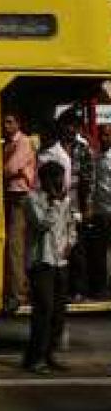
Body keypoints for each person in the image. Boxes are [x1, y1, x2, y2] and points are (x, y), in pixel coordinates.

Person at [22, 160, 74, 375]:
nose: (60, 183)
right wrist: (53, 203)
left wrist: (70, 243)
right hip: (41, 262)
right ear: (45, 181)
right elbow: (42, 224)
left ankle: (49, 354)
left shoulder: (65, 200)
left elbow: (70, 225)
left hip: (60, 262)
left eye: (61, 178)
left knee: (58, 313)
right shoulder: (32, 199)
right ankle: (35, 358)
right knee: (44, 310)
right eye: (56, 179)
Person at [58, 110, 94, 302]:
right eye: (67, 125)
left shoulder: (83, 149)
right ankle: (61, 289)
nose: (70, 129)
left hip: (76, 203)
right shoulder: (54, 148)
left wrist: (87, 206)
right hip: (56, 204)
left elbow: (89, 180)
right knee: (59, 248)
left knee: (77, 248)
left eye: (74, 125)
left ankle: (78, 290)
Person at [3, 112, 36, 312]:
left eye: (10, 122)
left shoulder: (23, 142)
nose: (6, 126)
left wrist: (1, 169)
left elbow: (11, 167)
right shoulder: (9, 143)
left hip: (21, 196)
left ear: (18, 124)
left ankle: (19, 294)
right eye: (5, 122)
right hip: (12, 195)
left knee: (16, 246)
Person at [87, 124, 111, 300]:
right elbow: (93, 184)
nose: (104, 138)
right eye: (102, 135)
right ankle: (101, 289)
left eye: (107, 135)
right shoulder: (96, 157)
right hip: (100, 211)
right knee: (99, 252)